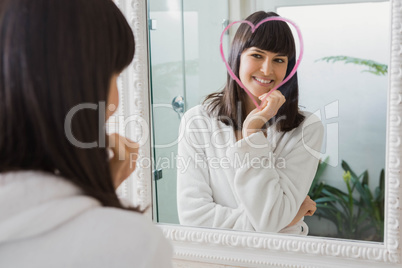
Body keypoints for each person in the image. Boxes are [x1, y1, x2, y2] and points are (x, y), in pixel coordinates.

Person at [0, 0, 172, 267]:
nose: (115, 102)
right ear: (72, 83)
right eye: (113, 74)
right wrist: (102, 201)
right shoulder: (129, 245)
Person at [177, 11, 324, 235]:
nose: (267, 70)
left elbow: (271, 219)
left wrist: (252, 131)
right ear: (237, 57)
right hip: (215, 257)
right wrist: (284, 220)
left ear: (289, 68)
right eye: (257, 55)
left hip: (278, 258)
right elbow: (193, 217)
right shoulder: (197, 122)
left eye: (279, 60)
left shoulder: (307, 129)